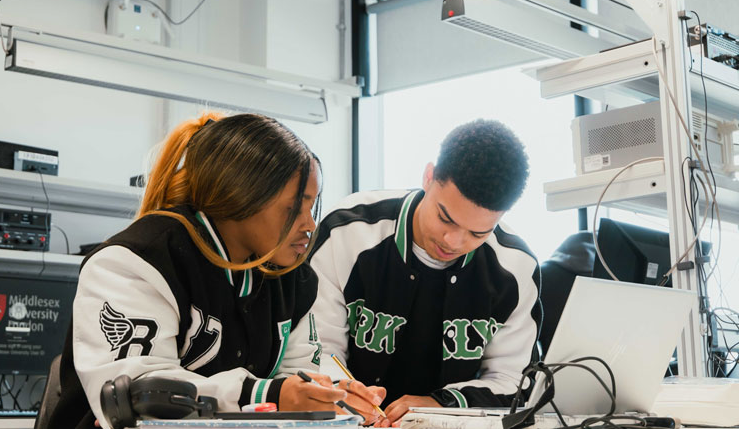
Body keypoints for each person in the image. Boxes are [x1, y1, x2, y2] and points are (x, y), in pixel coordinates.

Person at [47, 113, 384, 429]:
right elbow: (138, 394)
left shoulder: (292, 278)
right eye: (295, 207)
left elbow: (297, 377)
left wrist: (329, 395)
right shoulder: (136, 261)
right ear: (244, 196)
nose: (310, 224)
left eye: (313, 205)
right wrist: (267, 394)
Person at [309, 119, 541, 426]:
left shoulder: (516, 268)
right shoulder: (347, 232)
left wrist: (440, 405)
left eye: (478, 233)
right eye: (445, 218)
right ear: (429, 177)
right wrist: (345, 394)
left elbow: (514, 381)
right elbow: (315, 349)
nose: (453, 242)